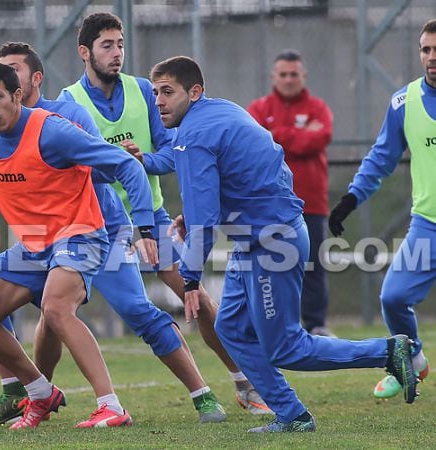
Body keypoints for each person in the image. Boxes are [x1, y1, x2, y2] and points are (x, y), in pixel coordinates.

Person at [145, 54, 417, 433]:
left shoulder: (196, 133)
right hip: (259, 238)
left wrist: (189, 280)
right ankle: (292, 414)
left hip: (271, 244)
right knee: (231, 328)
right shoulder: (215, 113)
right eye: (155, 91)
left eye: (167, 91)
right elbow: (241, 176)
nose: (158, 100)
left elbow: (204, 221)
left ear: (194, 91)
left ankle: (389, 351)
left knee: (287, 347)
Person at [0, 42, 230, 427]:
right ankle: (24, 394)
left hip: (98, 228)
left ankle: (203, 394)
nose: (0, 83)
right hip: (44, 239)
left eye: (11, 72)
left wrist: (141, 223)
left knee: (133, 310)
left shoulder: (67, 114)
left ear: (28, 81)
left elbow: (108, 168)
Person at [0, 62, 158, 429]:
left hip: (79, 233)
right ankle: (39, 391)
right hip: (34, 245)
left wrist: (146, 228)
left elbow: (128, 166)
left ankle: (111, 405)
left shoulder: (52, 131)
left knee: (57, 308)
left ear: (17, 95)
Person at [58, 11, 270, 415]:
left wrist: (144, 161)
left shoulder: (144, 91)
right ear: (84, 52)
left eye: (120, 43)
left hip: (151, 216)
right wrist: (114, 166)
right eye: (107, 45)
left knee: (197, 297)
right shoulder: (71, 102)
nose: (117, 52)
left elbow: (176, 151)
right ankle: (37, 393)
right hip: (102, 227)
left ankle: (246, 383)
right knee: (64, 310)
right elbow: (75, 167)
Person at [329, 19, 436, 399]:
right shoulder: (403, 103)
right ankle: (413, 359)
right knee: (393, 297)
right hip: (428, 226)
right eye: (426, 50)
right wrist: (351, 199)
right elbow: (381, 159)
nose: (431, 57)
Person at [247, 50, 334, 337]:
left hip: (311, 201)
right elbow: (255, 143)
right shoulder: (258, 108)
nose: (288, 79)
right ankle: (275, 326)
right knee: (269, 265)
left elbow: (318, 138)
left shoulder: (318, 107)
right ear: (273, 77)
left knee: (313, 264)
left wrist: (275, 133)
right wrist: (296, 134)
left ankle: (316, 324)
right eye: (282, 74)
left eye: (293, 74)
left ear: (303, 76)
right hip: (270, 204)